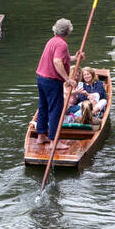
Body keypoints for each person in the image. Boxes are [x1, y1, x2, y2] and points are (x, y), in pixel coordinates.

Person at [32, 18, 84, 147]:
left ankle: (41, 136)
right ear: (68, 31)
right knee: (56, 109)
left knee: (43, 107)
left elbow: (61, 59)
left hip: (41, 78)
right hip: (51, 81)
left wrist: (74, 58)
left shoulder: (52, 41)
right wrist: (68, 79)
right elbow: (57, 62)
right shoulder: (62, 44)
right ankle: (54, 142)